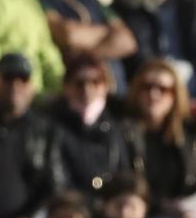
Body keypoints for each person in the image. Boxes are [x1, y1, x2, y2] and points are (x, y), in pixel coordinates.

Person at [0, 52, 65, 218]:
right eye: (7, 78)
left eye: (23, 79)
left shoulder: (44, 131)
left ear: (32, 86)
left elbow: (54, 185)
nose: (15, 85)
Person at [125, 58, 196, 207]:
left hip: (183, 214)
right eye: (147, 87)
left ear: (175, 95)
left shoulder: (190, 133)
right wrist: (162, 207)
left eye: (163, 89)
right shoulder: (123, 132)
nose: (153, 94)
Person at [48, 55, 135, 195]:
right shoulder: (52, 125)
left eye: (95, 82)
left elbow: (126, 173)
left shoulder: (121, 123)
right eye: (79, 83)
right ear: (66, 86)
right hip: (71, 207)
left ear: (106, 86)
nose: (87, 88)